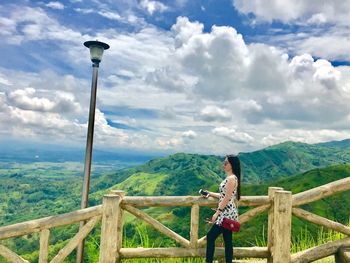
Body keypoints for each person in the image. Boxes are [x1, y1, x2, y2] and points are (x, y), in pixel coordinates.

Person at [204, 155, 241, 263]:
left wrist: (217, 212)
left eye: (226, 163)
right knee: (227, 240)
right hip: (227, 212)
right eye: (224, 162)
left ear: (232, 165)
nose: (223, 164)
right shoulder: (232, 178)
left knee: (210, 237)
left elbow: (227, 197)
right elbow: (224, 195)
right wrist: (210, 193)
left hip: (226, 213)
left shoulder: (231, 179)